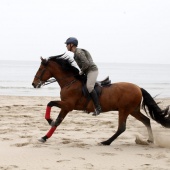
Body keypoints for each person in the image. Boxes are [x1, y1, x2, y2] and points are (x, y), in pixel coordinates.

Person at [65, 37, 102, 116]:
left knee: (89, 87)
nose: (66, 46)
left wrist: (81, 72)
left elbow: (86, 64)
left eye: (67, 44)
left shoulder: (78, 52)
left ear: (71, 45)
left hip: (92, 71)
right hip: (87, 71)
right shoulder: (75, 54)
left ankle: (98, 107)